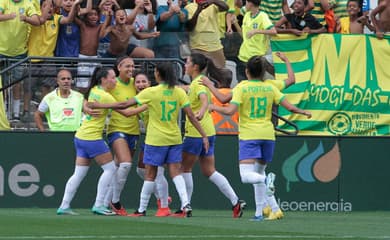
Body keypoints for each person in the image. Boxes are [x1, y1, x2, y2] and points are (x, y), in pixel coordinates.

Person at [89, 62, 210, 218]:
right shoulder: (178, 93)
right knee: (175, 173)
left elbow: (126, 105)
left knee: (150, 174)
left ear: (158, 75)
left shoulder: (151, 92)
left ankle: (141, 209)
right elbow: (191, 116)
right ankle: (185, 204)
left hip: (156, 140)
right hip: (174, 138)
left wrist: (98, 105)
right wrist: (204, 135)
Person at [210, 54, 311, 221]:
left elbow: (229, 110)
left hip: (250, 135)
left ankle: (267, 180)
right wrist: (303, 112)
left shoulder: (242, 87)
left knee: (247, 176)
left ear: (247, 71)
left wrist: (213, 106)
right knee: (257, 174)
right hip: (268, 135)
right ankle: (260, 212)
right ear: (263, 72)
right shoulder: (271, 87)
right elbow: (290, 105)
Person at [57, 67, 131, 216]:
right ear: (103, 79)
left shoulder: (95, 90)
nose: (114, 80)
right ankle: (99, 205)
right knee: (110, 170)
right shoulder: (104, 95)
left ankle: (64, 206)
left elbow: (87, 101)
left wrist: (89, 106)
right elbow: (125, 110)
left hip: (81, 136)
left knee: (78, 174)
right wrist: (146, 103)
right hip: (92, 138)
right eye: (112, 77)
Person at [181, 53, 246, 218]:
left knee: (184, 169)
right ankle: (235, 201)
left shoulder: (198, 83)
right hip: (209, 132)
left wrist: (202, 111)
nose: (185, 64)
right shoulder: (199, 82)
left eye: (187, 62)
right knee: (209, 170)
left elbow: (203, 100)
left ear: (195, 67)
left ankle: (185, 206)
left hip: (196, 132)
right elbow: (192, 92)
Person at [102, 56, 140, 216]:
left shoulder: (136, 83)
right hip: (116, 129)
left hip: (134, 131)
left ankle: (103, 203)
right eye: (127, 66)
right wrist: (86, 106)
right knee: (125, 164)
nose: (131, 69)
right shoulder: (113, 83)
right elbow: (95, 93)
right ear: (119, 67)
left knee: (118, 168)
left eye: (133, 66)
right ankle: (115, 201)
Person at [132, 72, 172, 216]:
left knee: (157, 172)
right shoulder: (141, 97)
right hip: (150, 137)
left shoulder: (152, 97)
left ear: (149, 83)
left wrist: (108, 106)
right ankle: (162, 198)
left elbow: (131, 112)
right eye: (137, 82)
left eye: (144, 81)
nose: (141, 85)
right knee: (141, 170)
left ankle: (163, 204)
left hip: (160, 138)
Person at [0, 0, 40, 121]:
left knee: (17, 84)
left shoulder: (28, 4)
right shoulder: (3, 2)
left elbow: (37, 21)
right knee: (3, 85)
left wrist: (26, 19)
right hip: (1, 51)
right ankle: (4, 113)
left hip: (19, 53)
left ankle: (16, 114)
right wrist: (9, 16)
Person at [236, 0, 277, 82]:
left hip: (255, 59)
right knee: (241, 85)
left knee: (255, 84)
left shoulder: (262, 16)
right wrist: (234, 23)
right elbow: (245, 35)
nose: (245, 5)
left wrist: (256, 31)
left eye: (246, 2)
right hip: (242, 57)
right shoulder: (247, 15)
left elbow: (273, 31)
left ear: (250, 3)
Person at [185, 0, 229, 68]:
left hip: (216, 47)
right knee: (199, 76)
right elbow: (189, 28)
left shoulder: (213, 5)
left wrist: (213, 1)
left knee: (221, 74)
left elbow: (226, 7)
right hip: (198, 48)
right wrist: (198, 11)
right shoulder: (189, 7)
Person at [76, 6, 103, 93]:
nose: (93, 16)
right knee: (82, 85)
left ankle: (90, 102)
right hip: (82, 58)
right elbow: (73, 16)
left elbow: (108, 22)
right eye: (90, 14)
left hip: (94, 58)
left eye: (95, 14)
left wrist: (109, 15)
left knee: (93, 84)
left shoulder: (99, 27)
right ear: (86, 16)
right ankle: (82, 103)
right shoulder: (83, 25)